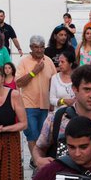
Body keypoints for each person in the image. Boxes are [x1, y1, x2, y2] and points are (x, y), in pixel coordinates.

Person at [32, 65, 91, 170]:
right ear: (74, 89)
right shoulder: (56, 118)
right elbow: (39, 148)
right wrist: (38, 160)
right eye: (87, 89)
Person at [16, 35, 56, 166]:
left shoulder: (49, 61)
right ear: (30, 48)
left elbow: (54, 82)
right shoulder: (23, 62)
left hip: (45, 105)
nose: (39, 50)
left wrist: (53, 101)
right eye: (36, 47)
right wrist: (34, 72)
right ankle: (37, 163)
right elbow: (19, 82)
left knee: (43, 137)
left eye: (42, 47)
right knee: (32, 135)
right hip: (29, 105)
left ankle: (38, 160)